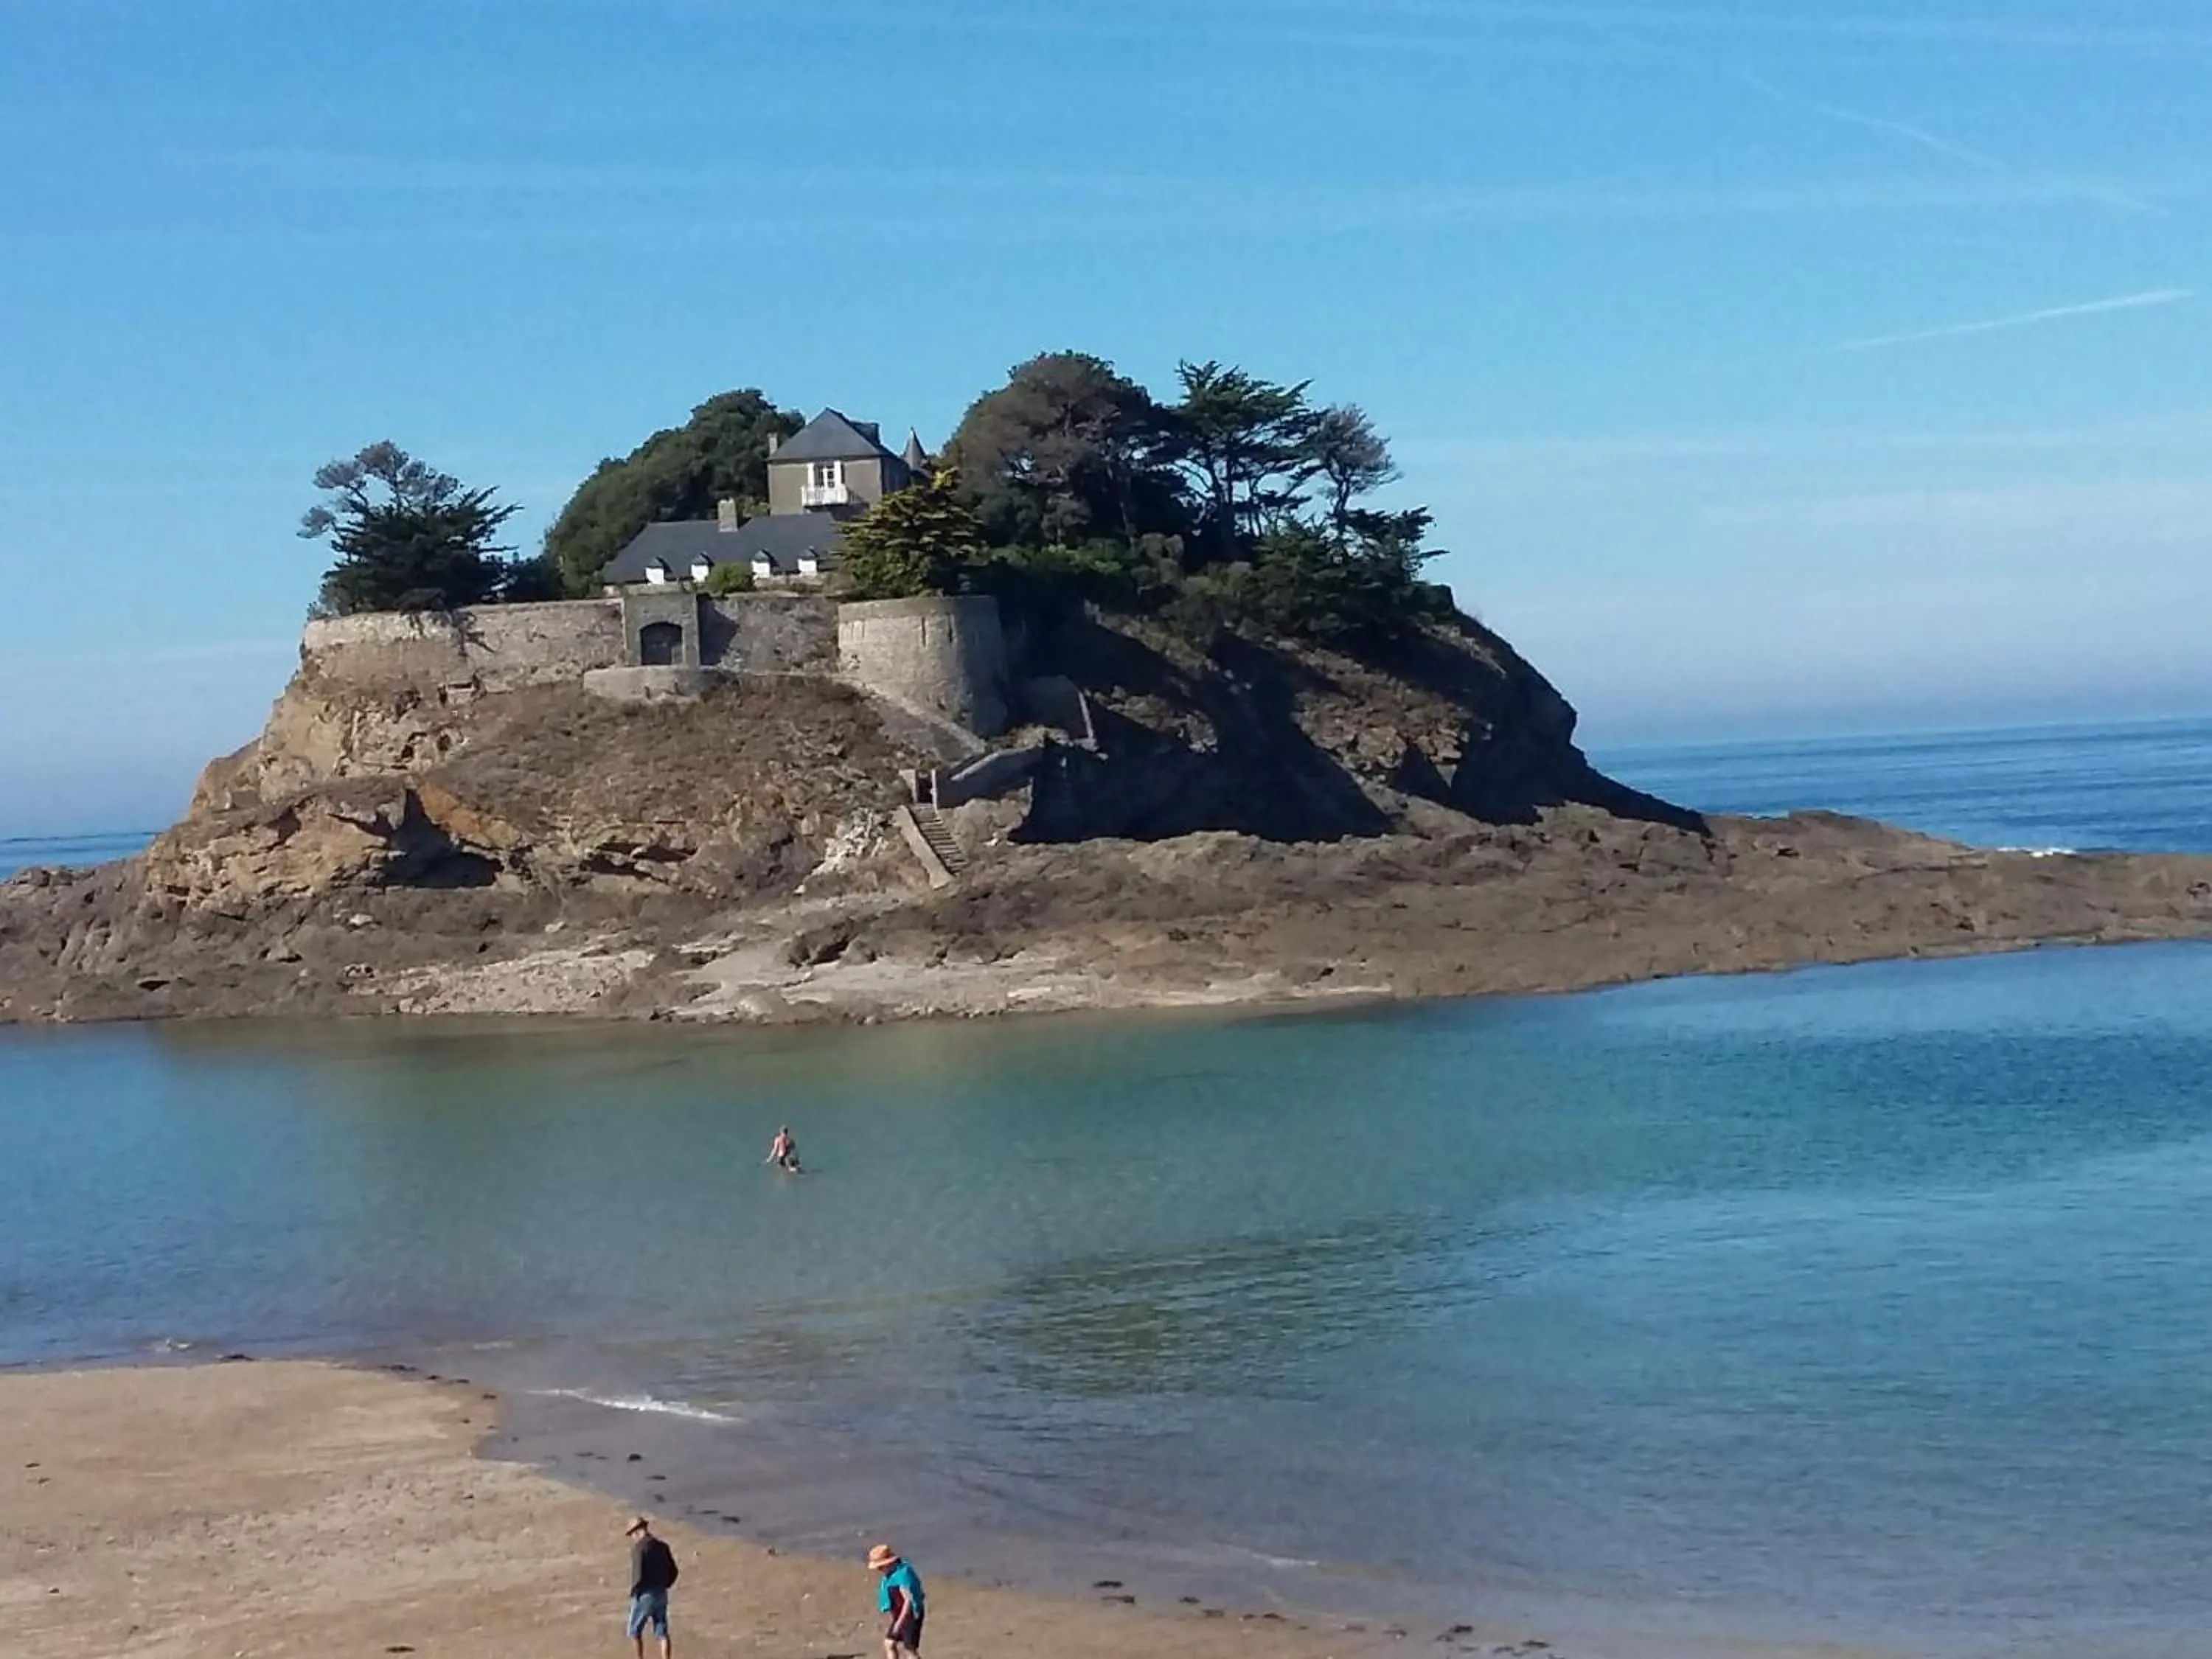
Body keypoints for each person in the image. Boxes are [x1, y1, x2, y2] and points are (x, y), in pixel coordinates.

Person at [625, 1515, 678, 1659]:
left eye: (632, 1534)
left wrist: (634, 1591)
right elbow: (674, 1571)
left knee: (634, 1631)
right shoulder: (662, 1546)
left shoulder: (639, 1549)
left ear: (637, 1532)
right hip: (661, 1592)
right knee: (662, 1631)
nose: (633, 1538)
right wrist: (666, 1584)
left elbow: (638, 1574)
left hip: (645, 1594)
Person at [867, 1543, 925, 1659]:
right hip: (899, 1613)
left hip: (910, 1614)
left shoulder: (903, 1575)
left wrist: (899, 1623)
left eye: (880, 1567)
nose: (879, 1570)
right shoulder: (891, 1576)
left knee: (910, 1649)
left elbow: (908, 1601)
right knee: (889, 1643)